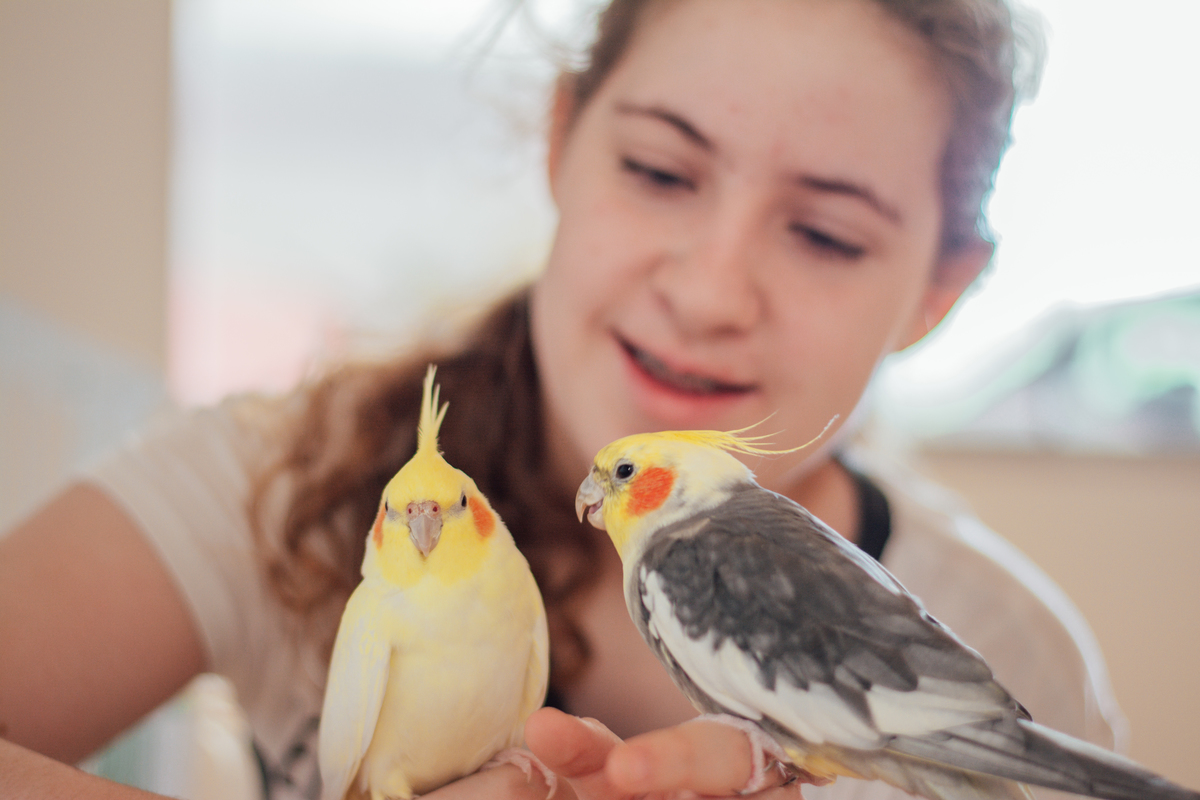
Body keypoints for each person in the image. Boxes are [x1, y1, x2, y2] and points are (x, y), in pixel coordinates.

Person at [0, 0, 1125, 798]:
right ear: (560, 141)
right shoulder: (264, 481)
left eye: (827, 234)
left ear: (938, 291)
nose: (710, 291)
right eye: (660, 171)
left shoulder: (1015, 657)